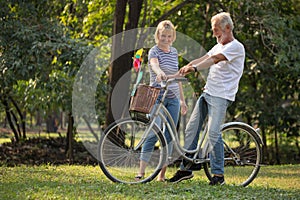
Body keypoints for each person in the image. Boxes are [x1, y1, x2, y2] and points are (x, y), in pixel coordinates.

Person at [169, 12, 245, 185]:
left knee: (213, 133)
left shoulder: (236, 47)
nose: (214, 34)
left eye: (216, 30)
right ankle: (186, 169)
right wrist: (188, 66)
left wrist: (195, 69)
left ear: (227, 28)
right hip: (208, 92)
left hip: (221, 96)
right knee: (191, 129)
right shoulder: (218, 45)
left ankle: (218, 176)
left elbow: (215, 60)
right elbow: (205, 57)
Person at [135, 20, 187, 182]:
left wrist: (183, 101)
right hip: (156, 96)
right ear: (158, 35)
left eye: (169, 36)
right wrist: (159, 73)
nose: (166, 39)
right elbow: (154, 65)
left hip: (173, 99)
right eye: (163, 35)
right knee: (153, 131)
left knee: (169, 136)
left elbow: (178, 77)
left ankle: (161, 175)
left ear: (173, 37)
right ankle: (141, 173)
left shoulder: (174, 52)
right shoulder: (154, 51)